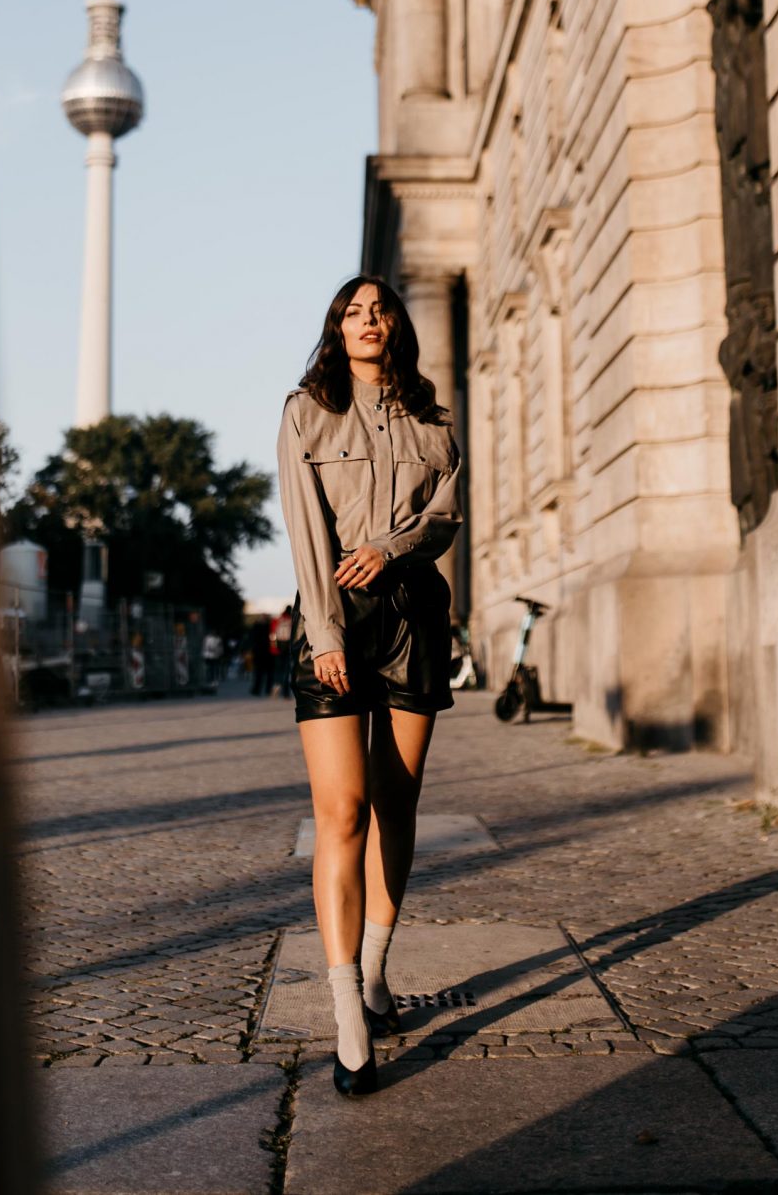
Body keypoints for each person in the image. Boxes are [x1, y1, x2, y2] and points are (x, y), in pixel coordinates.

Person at [277, 274, 462, 1097]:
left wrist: (392, 547)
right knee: (341, 809)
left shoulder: (434, 418)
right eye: (353, 311)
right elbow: (306, 528)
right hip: (336, 618)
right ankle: (348, 1011)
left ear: (396, 328)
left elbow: (449, 512)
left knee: (398, 798)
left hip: (414, 611)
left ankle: (380, 972)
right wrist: (321, 633)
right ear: (335, 328)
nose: (368, 320)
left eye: (379, 310)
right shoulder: (306, 411)